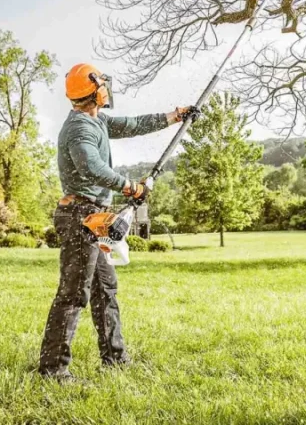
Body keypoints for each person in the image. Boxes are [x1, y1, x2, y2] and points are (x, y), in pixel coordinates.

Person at [38, 63, 193, 380]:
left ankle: (115, 359)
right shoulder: (79, 128)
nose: (107, 88)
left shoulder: (99, 121)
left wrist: (175, 116)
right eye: (102, 84)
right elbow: (91, 168)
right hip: (80, 216)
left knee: (105, 290)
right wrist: (129, 186)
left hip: (95, 217)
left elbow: (135, 124)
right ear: (93, 90)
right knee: (73, 294)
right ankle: (52, 370)